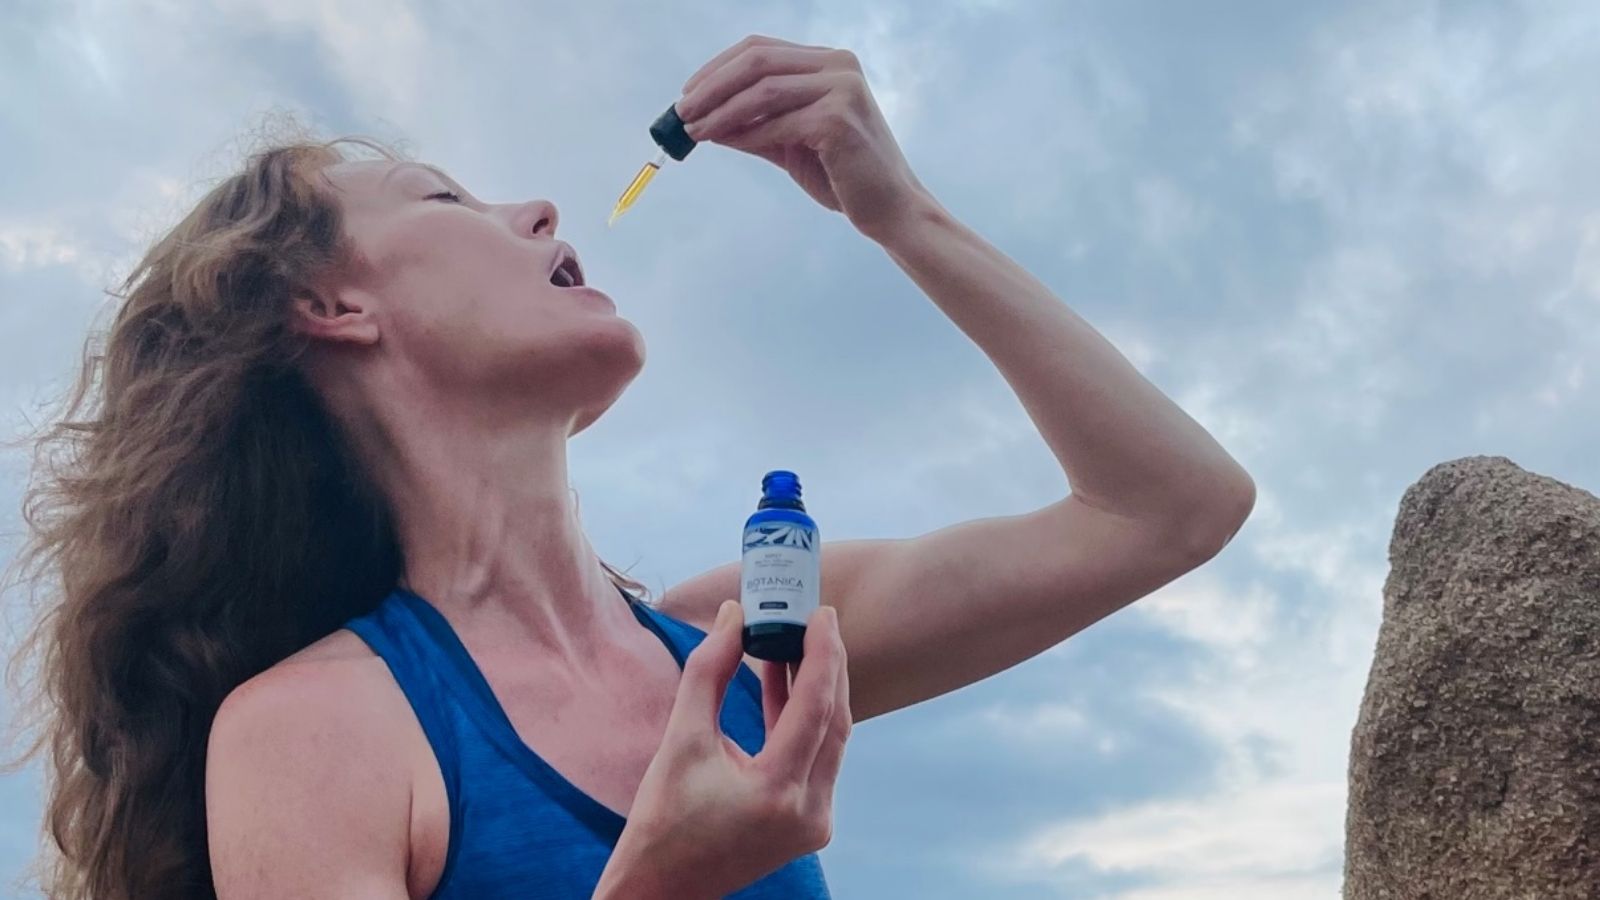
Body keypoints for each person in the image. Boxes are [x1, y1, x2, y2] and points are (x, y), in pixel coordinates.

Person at [5, 33, 1256, 900]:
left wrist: (901, 214)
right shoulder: (311, 734)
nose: (540, 209)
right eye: (443, 198)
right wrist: (658, 884)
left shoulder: (743, 644)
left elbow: (1171, 508)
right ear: (328, 305)